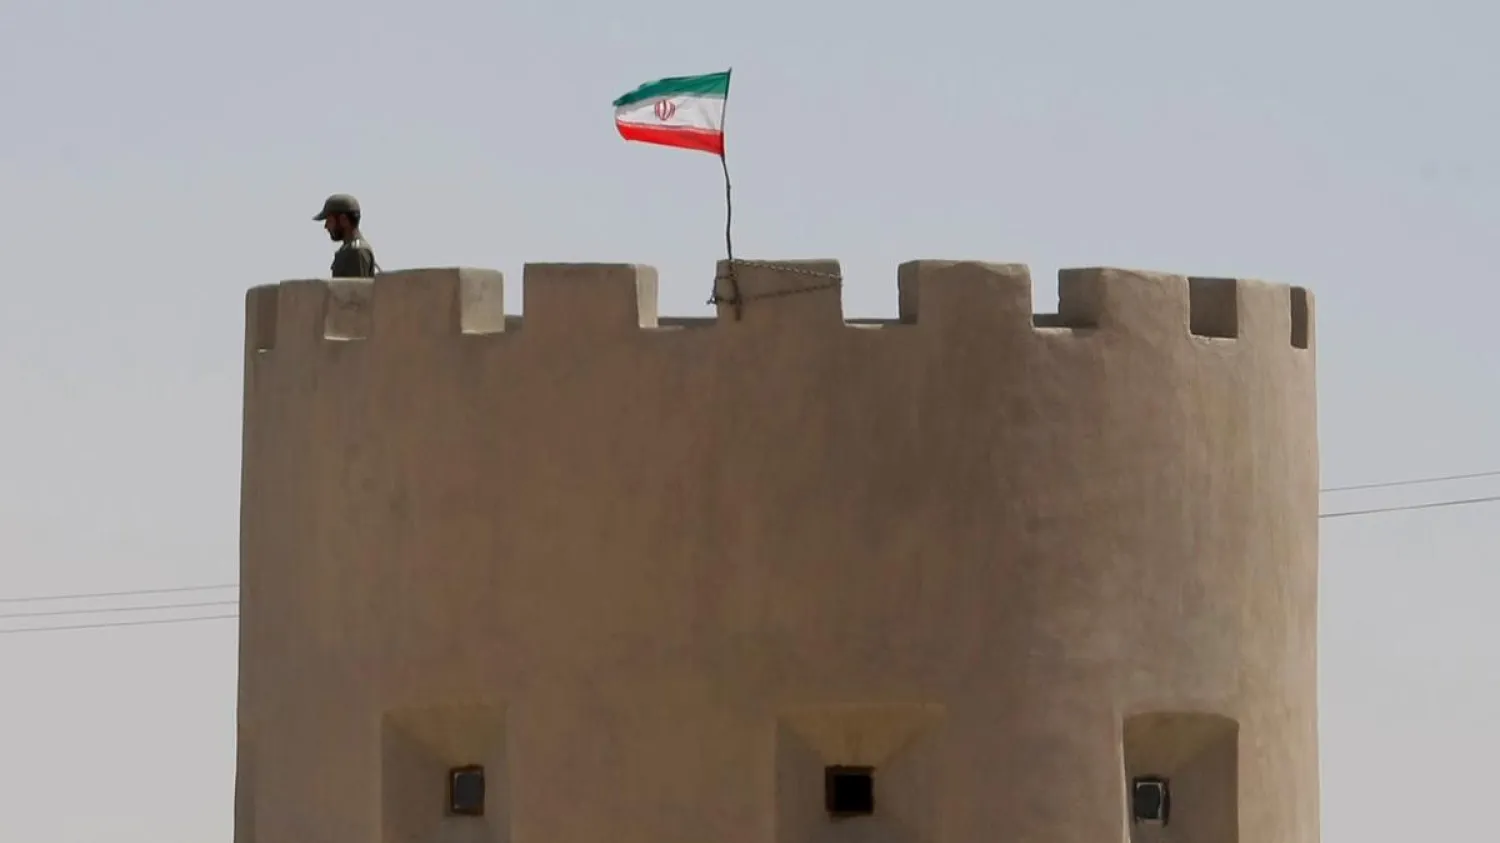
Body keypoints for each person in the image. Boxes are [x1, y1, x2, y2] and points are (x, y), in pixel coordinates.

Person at [313, 193, 378, 278]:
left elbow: (358, 289)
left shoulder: (356, 251)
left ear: (343, 220)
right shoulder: (348, 250)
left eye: (330, 221)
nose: (326, 226)